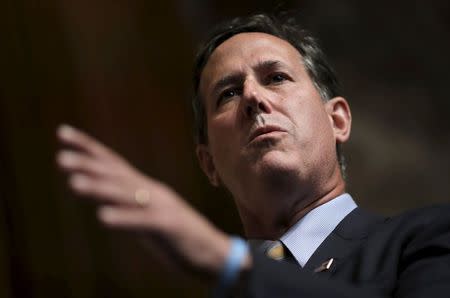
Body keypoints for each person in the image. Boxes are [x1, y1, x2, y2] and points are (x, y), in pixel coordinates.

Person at [56, 13, 450, 298]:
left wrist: (227, 262)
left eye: (276, 77)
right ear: (208, 163)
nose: (253, 97)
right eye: (227, 93)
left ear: (338, 120)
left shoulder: (426, 237)